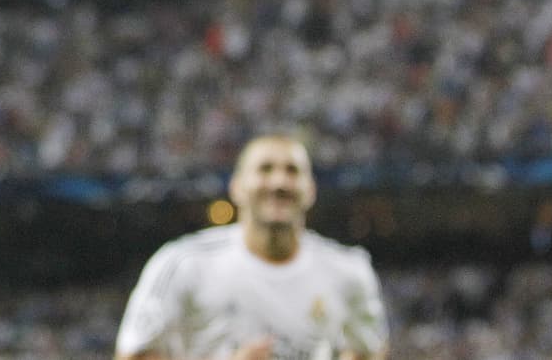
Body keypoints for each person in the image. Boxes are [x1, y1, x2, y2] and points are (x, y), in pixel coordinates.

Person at [114, 134, 389, 360]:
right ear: (237, 187)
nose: (279, 182)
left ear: (311, 189)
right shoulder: (182, 263)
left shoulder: (349, 269)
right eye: (265, 169)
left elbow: (369, 350)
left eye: (292, 171)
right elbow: (133, 355)